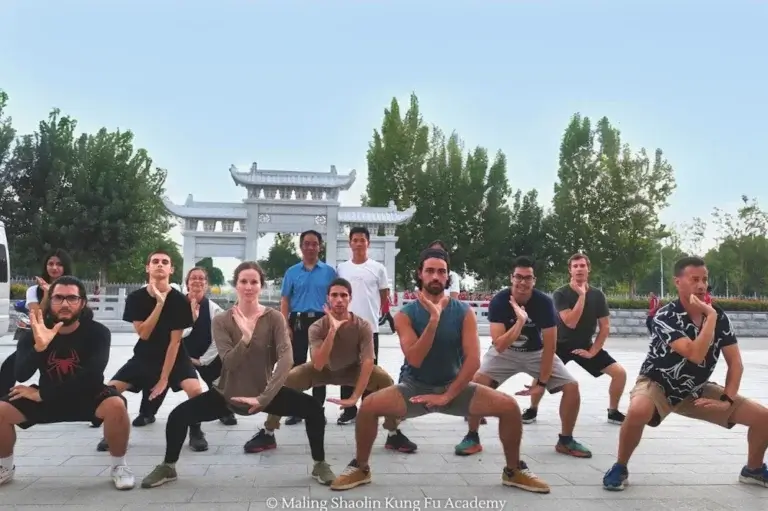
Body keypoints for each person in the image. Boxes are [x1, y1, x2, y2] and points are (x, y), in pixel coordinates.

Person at [330, 249, 549, 493]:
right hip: (415, 389)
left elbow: (473, 361)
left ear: (447, 277)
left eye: (441, 271)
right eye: (430, 271)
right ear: (420, 275)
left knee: (509, 407)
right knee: (369, 407)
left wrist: (447, 396)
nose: (436, 276)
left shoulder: (463, 312)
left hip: (454, 388)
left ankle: (514, 470)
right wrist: (433, 321)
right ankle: (360, 467)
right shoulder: (405, 314)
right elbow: (414, 357)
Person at [140, 261, 333, 488]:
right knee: (177, 417)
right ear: (236, 285)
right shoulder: (222, 320)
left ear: (261, 286)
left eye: (254, 282)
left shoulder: (274, 318)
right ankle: (168, 466)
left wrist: (264, 397)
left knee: (313, 409)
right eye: (243, 281)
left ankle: (320, 463)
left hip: (264, 393)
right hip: (227, 394)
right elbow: (229, 362)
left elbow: (286, 359)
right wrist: (246, 339)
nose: (249, 287)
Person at [603, 256, 768, 491]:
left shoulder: (719, 317)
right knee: (638, 410)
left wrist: (727, 399)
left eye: (704, 279)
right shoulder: (666, 316)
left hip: (695, 389)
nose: (701, 285)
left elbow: (736, 363)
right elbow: (695, 354)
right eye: (694, 280)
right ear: (678, 282)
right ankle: (620, 466)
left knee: (763, 418)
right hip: (658, 383)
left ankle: (753, 469)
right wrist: (710, 317)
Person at [0, 276, 134, 490]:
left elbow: (92, 376)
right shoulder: (34, 334)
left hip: (87, 395)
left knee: (117, 405)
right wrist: (39, 348)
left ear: (82, 303)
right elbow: (22, 374)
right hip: (47, 397)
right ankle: (4, 466)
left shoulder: (98, 333)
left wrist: (43, 394)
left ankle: (119, 466)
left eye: (72, 298)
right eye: (58, 298)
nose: (64, 304)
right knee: (2, 410)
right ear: (49, 301)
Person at [256, 277, 417, 455]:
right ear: (328, 298)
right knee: (284, 382)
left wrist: (355, 396)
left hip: (353, 370)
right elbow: (317, 364)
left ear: (350, 298)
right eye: (334, 295)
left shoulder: (363, 326)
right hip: (322, 370)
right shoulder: (317, 327)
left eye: (343, 295)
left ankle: (393, 433)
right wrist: (332, 330)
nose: (339, 299)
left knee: (386, 380)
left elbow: (368, 362)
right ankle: (268, 432)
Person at [454, 256, 592, 459]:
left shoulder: (544, 303)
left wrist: (542, 382)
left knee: (572, 387)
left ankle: (566, 440)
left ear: (534, 281)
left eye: (528, 278)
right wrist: (520, 321)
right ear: (512, 278)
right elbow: (499, 345)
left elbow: (550, 346)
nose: (523, 282)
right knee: (477, 383)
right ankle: (472, 436)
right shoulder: (500, 302)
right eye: (518, 277)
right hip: (506, 353)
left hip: (536, 352)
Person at [96, 250, 206, 453]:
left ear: (171, 269)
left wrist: (164, 379)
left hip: (175, 357)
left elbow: (174, 343)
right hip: (144, 357)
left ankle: (196, 431)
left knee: (196, 391)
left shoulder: (181, 300)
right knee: (108, 391)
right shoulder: (136, 298)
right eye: (155, 261)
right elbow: (144, 334)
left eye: (165, 262)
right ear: (148, 267)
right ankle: (113, 433)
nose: (160, 264)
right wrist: (159, 304)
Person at [521, 253, 626, 425]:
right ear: (570, 270)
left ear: (588, 269)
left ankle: (613, 411)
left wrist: (593, 352)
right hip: (558, 345)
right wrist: (582, 296)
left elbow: (605, 327)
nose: (579, 269)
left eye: (582, 266)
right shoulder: (560, 293)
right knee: (541, 375)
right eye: (575, 266)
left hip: (584, 346)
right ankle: (532, 409)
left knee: (619, 373)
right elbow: (570, 322)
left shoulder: (598, 296)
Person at [133, 267, 237, 427]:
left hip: (204, 355)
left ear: (206, 284)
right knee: (158, 375)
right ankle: (147, 412)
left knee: (220, 377)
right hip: (178, 353)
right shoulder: (173, 304)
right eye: (193, 278)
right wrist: (190, 320)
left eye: (201, 278)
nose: (197, 281)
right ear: (187, 283)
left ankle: (225, 411)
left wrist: (202, 360)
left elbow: (220, 339)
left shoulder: (214, 310)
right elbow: (166, 334)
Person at [259, 229, 335, 438]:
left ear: (320, 246)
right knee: (296, 366)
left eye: (314, 243)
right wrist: (285, 325)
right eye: (307, 243)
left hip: (321, 320)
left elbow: (335, 298)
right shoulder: (292, 272)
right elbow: (285, 300)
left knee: (320, 366)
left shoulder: (329, 272)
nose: (310, 247)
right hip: (298, 321)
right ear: (301, 247)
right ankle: (296, 409)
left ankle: (318, 408)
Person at [335, 226, 389, 426]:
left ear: (368, 243)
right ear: (350, 243)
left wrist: (380, 313)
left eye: (362, 240)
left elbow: (384, 295)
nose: (358, 243)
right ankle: (349, 410)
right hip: (345, 327)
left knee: (370, 368)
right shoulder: (341, 269)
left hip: (370, 327)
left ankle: (369, 407)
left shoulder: (378, 268)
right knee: (346, 369)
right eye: (355, 240)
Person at [0, 249, 73, 397]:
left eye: (59, 264)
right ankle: (3, 404)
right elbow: (36, 316)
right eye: (50, 264)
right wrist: (47, 294)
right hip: (40, 338)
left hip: (66, 337)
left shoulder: (73, 289)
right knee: (10, 366)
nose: (54, 268)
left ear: (65, 267)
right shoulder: (34, 290)